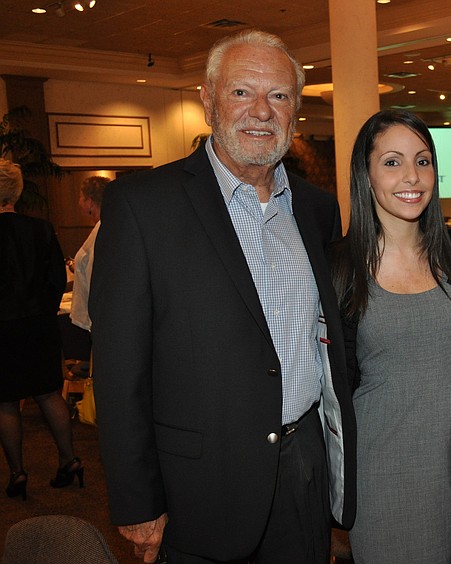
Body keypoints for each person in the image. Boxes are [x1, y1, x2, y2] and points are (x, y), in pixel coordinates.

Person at [90, 30, 355, 563]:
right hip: (199, 486)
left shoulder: (317, 209)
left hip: (304, 469)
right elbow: (119, 371)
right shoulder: (143, 206)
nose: (261, 111)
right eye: (241, 92)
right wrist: (136, 500)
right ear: (208, 102)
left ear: (296, 110)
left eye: (278, 95)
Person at [331, 109, 451, 563]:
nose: (412, 176)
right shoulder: (340, 267)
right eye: (392, 162)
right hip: (378, 467)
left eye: (423, 161)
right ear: (366, 174)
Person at [0, 159, 82, 502]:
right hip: (39, 325)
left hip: (2, 328)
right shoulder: (41, 228)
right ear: (17, 192)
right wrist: (44, 313)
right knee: (49, 393)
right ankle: (70, 460)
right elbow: (57, 279)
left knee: (5, 401)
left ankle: (18, 472)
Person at [70, 176, 110, 332]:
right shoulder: (104, 227)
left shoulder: (102, 230)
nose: (79, 202)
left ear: (90, 202)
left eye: (81, 197)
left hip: (98, 317)